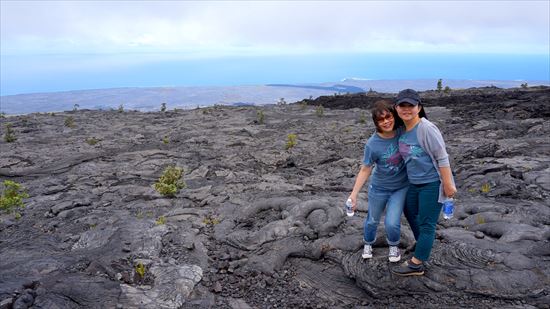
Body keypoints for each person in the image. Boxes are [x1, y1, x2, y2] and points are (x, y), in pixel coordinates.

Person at [390, 89, 457, 276]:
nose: (406, 109)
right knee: (409, 212)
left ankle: (417, 264)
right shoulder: (402, 130)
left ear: (419, 107)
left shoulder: (426, 128)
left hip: (431, 184)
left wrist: (448, 184)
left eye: (410, 105)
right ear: (396, 108)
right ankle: (422, 245)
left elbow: (442, 157)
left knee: (427, 224)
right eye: (402, 105)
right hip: (413, 183)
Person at [349, 100, 408, 262]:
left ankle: (394, 247)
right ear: (376, 123)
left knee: (392, 222)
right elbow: (365, 169)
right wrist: (354, 194)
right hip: (378, 188)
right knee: (372, 221)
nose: (386, 121)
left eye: (388, 116)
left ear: (394, 116)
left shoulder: (404, 132)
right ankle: (368, 243)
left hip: (400, 188)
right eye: (380, 120)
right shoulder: (372, 144)